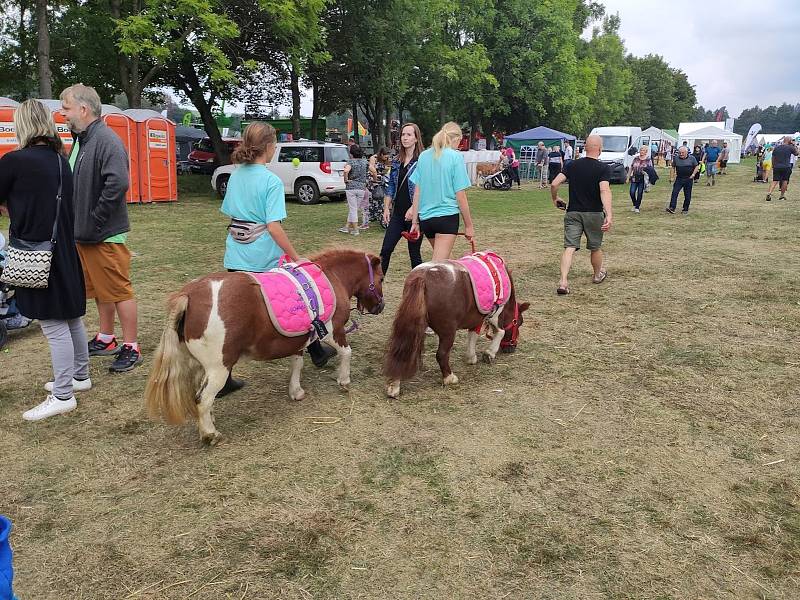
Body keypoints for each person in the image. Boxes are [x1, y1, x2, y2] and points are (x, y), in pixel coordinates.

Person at [221, 122, 334, 389]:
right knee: (300, 295)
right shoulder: (271, 180)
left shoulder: (236, 175)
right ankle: (315, 348)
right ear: (270, 147)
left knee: (232, 316)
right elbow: (273, 226)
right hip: (264, 259)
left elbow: (232, 213)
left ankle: (223, 377)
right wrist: (296, 257)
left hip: (236, 253)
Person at [0, 100, 90, 421]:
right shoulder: (59, 159)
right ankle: (80, 376)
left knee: (53, 325)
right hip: (64, 250)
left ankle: (63, 394)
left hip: (38, 254)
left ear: (23, 126)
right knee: (70, 317)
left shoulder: (14, 161)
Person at [60, 84, 140, 373]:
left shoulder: (106, 140)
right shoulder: (82, 139)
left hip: (104, 234)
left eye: (66, 108)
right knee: (100, 290)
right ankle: (107, 337)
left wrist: (95, 219)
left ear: (83, 109)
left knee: (118, 291)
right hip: (85, 234)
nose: (63, 113)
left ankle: (131, 346)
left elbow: (117, 183)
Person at [550, 134, 612, 295]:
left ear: (585, 147)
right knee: (595, 247)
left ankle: (563, 282)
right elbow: (604, 190)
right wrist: (609, 214)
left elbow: (555, 183)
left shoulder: (572, 165)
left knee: (569, 247)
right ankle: (597, 275)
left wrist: (555, 198)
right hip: (594, 213)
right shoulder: (603, 168)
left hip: (573, 212)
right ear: (600, 148)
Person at [408, 121, 475, 261]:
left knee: (447, 263)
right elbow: (460, 195)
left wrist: (415, 222)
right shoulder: (455, 157)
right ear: (456, 139)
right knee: (438, 269)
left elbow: (417, 192)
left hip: (426, 219)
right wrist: (469, 226)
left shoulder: (423, 156)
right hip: (447, 217)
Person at [380, 123, 425, 275]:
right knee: (385, 251)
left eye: (409, 135)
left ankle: (421, 290)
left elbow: (426, 189)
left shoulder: (422, 161)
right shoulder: (396, 161)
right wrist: (386, 207)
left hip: (415, 217)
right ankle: (377, 293)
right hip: (398, 215)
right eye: (403, 134)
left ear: (416, 138)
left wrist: (414, 208)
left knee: (414, 255)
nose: (405, 138)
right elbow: (391, 186)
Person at [340, 144, 368, 235]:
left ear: (351, 153)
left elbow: (346, 171)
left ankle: (356, 230)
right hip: (362, 188)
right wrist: (375, 179)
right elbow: (373, 170)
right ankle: (346, 227)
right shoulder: (365, 162)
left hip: (351, 188)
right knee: (354, 208)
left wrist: (346, 180)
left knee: (353, 209)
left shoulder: (350, 162)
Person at [667, 145, 699, 215]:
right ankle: (672, 207)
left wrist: (693, 174)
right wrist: (671, 177)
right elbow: (673, 167)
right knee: (674, 192)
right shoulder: (676, 158)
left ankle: (685, 209)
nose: (681, 154)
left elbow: (696, 166)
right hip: (679, 178)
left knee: (687, 194)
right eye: (680, 153)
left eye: (682, 153)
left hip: (688, 178)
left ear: (687, 153)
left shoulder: (692, 158)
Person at [766, 136, 799, 201]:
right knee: (785, 180)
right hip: (786, 166)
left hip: (777, 166)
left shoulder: (777, 148)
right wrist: (794, 145)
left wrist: (773, 165)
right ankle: (782, 196)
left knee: (775, 180)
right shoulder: (790, 148)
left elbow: (773, 157)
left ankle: (769, 193)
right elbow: (797, 154)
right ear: (789, 141)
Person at [364, 147, 390, 229]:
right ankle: (373, 215)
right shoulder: (373, 158)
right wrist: (375, 177)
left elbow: (384, 168)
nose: (387, 158)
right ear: (382, 154)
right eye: (385, 157)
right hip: (373, 180)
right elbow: (371, 168)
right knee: (374, 196)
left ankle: (379, 215)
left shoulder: (384, 160)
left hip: (380, 179)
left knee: (381, 197)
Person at [627, 146, 652, 213]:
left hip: (642, 179)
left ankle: (637, 207)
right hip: (635, 177)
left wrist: (649, 180)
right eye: (641, 150)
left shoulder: (648, 160)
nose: (641, 151)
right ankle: (635, 204)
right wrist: (628, 177)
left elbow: (651, 170)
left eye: (643, 150)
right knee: (632, 192)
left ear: (646, 152)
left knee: (640, 193)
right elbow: (631, 168)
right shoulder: (636, 158)